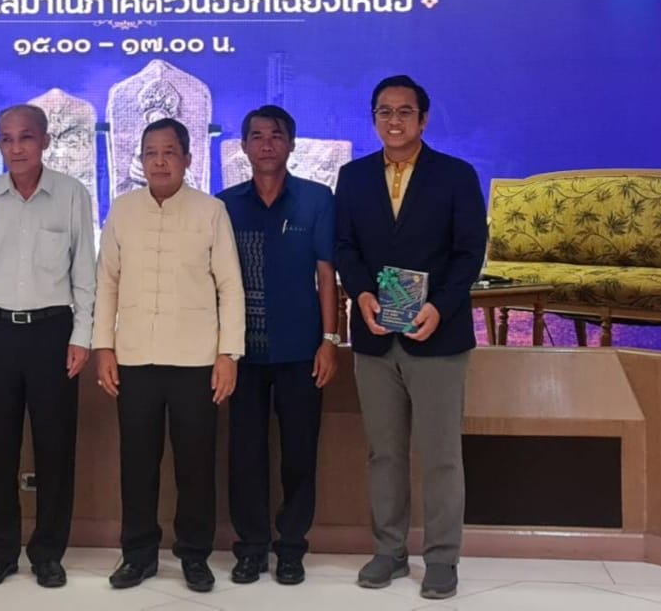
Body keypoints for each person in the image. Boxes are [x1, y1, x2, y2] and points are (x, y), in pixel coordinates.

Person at [334, 75, 486, 601]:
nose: (394, 120)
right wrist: (361, 293)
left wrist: (440, 307)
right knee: (385, 453)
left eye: (404, 111)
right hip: (376, 337)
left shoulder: (456, 176)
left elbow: (469, 253)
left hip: (437, 337)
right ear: (373, 119)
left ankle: (442, 558)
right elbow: (345, 247)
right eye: (384, 111)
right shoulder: (353, 177)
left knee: (440, 455)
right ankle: (389, 551)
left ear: (423, 118)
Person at [94, 117, 245, 594]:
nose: (159, 162)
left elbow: (230, 286)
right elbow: (107, 282)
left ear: (187, 158)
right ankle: (137, 554)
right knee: (137, 462)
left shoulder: (211, 211)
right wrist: (103, 346)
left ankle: (194, 555)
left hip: (196, 359)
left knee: (195, 465)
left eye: (169, 152)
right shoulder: (123, 210)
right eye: (150, 153)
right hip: (135, 356)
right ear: (140, 160)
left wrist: (228, 354)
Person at [0, 104, 96, 590]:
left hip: (52, 334)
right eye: (7, 139)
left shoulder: (72, 194)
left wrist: (82, 337)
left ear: (45, 141)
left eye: (26, 137)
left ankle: (48, 552)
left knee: (55, 447)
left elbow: (85, 273)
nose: (16, 148)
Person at [218, 105, 339, 587]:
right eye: (256, 135)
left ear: (290, 144)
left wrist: (329, 340)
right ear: (243, 146)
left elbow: (326, 275)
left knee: (299, 454)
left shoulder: (316, 200)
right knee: (245, 455)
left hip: (301, 349)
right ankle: (250, 548)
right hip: (242, 352)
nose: (266, 144)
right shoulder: (225, 205)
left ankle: (291, 548)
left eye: (276, 135)